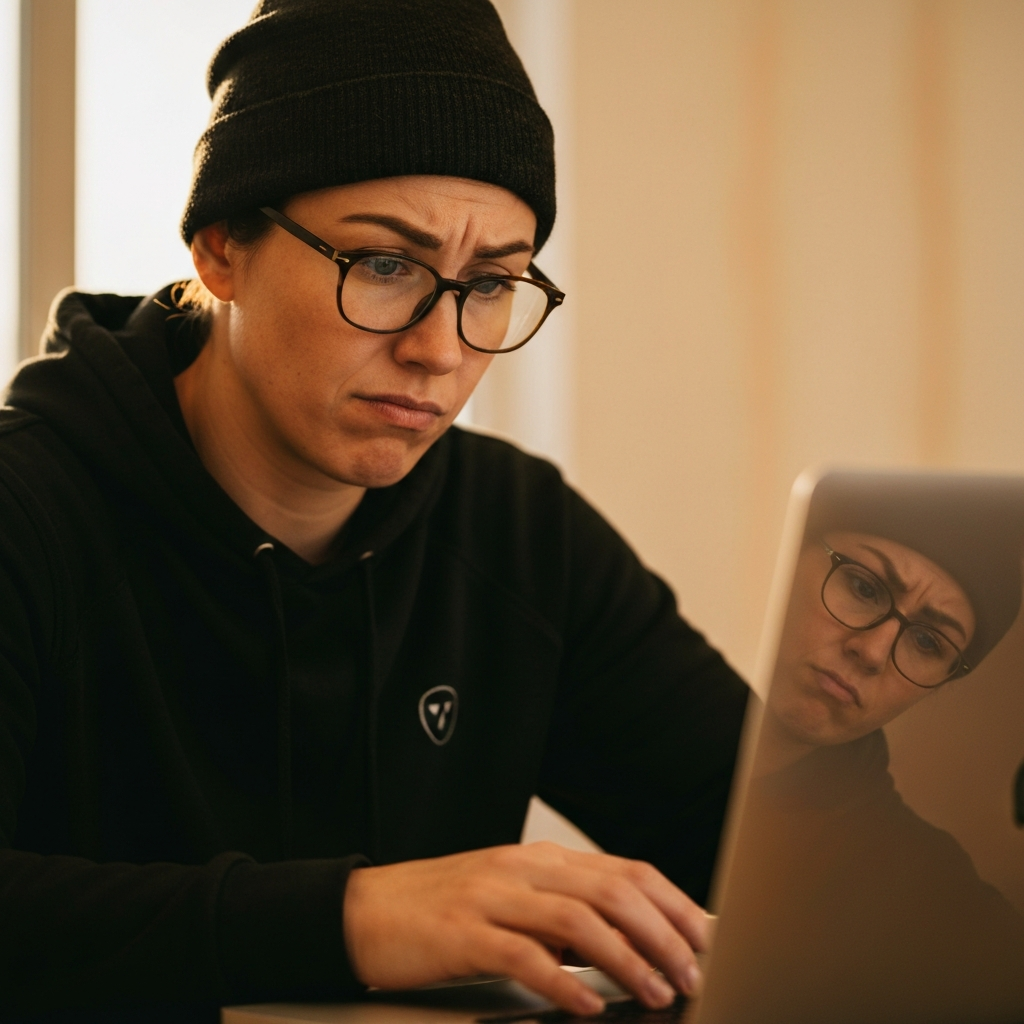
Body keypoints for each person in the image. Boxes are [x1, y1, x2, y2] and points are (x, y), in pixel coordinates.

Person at [0, 2, 749, 1021]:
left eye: (492, 283)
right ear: (220, 248)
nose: (440, 349)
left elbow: (781, 861)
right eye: (386, 265)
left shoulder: (519, 535)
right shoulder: (26, 513)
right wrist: (350, 920)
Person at [708, 480, 1024, 1024]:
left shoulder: (918, 886)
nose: (873, 651)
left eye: (927, 642)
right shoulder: (608, 690)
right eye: (864, 587)